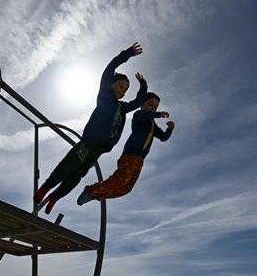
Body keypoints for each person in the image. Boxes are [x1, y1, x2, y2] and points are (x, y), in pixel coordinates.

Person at [33, 42, 147, 214]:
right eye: (121, 86)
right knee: (72, 162)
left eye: (125, 90)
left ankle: (55, 197)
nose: (123, 91)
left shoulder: (122, 108)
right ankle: (45, 188)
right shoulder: (105, 94)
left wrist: (143, 84)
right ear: (111, 84)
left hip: (102, 147)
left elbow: (138, 102)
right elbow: (111, 66)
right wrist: (128, 53)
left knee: (78, 174)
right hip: (91, 139)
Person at [76, 92, 174, 205]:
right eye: (150, 105)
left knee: (127, 188)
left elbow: (163, 137)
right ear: (142, 105)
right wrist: (158, 114)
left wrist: (169, 129)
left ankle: (96, 195)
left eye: (155, 107)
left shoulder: (152, 124)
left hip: (140, 160)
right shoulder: (139, 115)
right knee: (119, 180)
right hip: (131, 155)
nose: (153, 109)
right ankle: (90, 190)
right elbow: (143, 116)